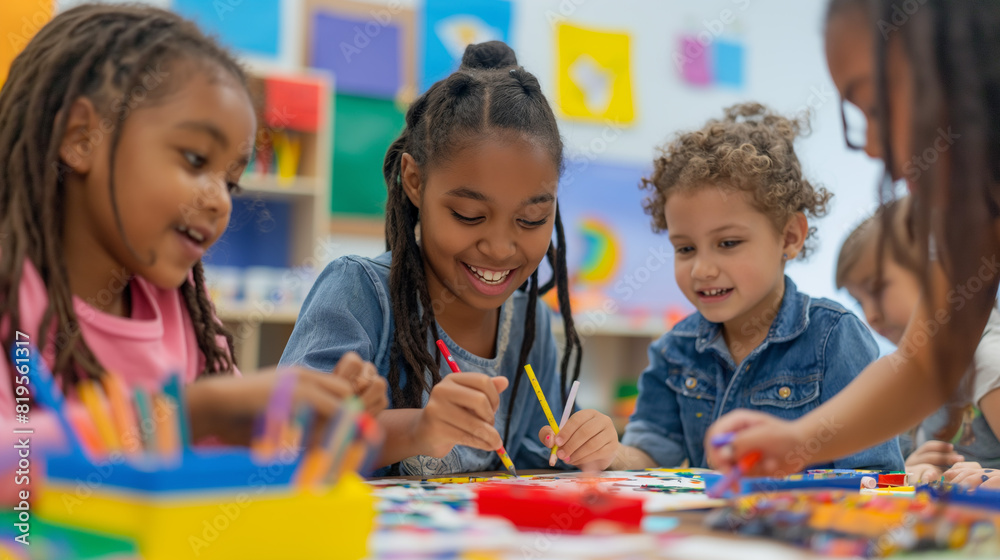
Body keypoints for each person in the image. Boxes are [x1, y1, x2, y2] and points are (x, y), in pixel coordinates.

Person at [0, 4, 386, 466]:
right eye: (195, 160)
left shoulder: (183, 310)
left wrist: (305, 432)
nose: (221, 201)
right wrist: (187, 415)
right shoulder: (13, 295)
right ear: (82, 137)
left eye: (231, 182)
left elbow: (223, 470)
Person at [279, 42, 619, 476]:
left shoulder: (529, 325)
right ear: (415, 181)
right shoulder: (360, 292)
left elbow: (543, 461)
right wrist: (419, 428)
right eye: (469, 215)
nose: (499, 247)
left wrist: (585, 445)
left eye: (531, 219)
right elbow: (289, 439)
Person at [706, 0, 1000, 488]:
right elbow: (920, 366)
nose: (869, 145)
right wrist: (796, 439)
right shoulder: (969, 217)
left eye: (878, 107)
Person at [613, 103, 902, 471]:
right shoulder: (676, 350)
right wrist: (611, 453)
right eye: (685, 248)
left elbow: (875, 475)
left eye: (728, 243)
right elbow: (651, 453)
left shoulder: (834, 337)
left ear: (790, 236)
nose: (702, 269)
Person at [837, 198, 1000, 482]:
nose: (870, 316)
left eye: (877, 289)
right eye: (858, 301)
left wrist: (990, 479)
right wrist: (909, 466)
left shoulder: (988, 360)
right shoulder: (919, 370)